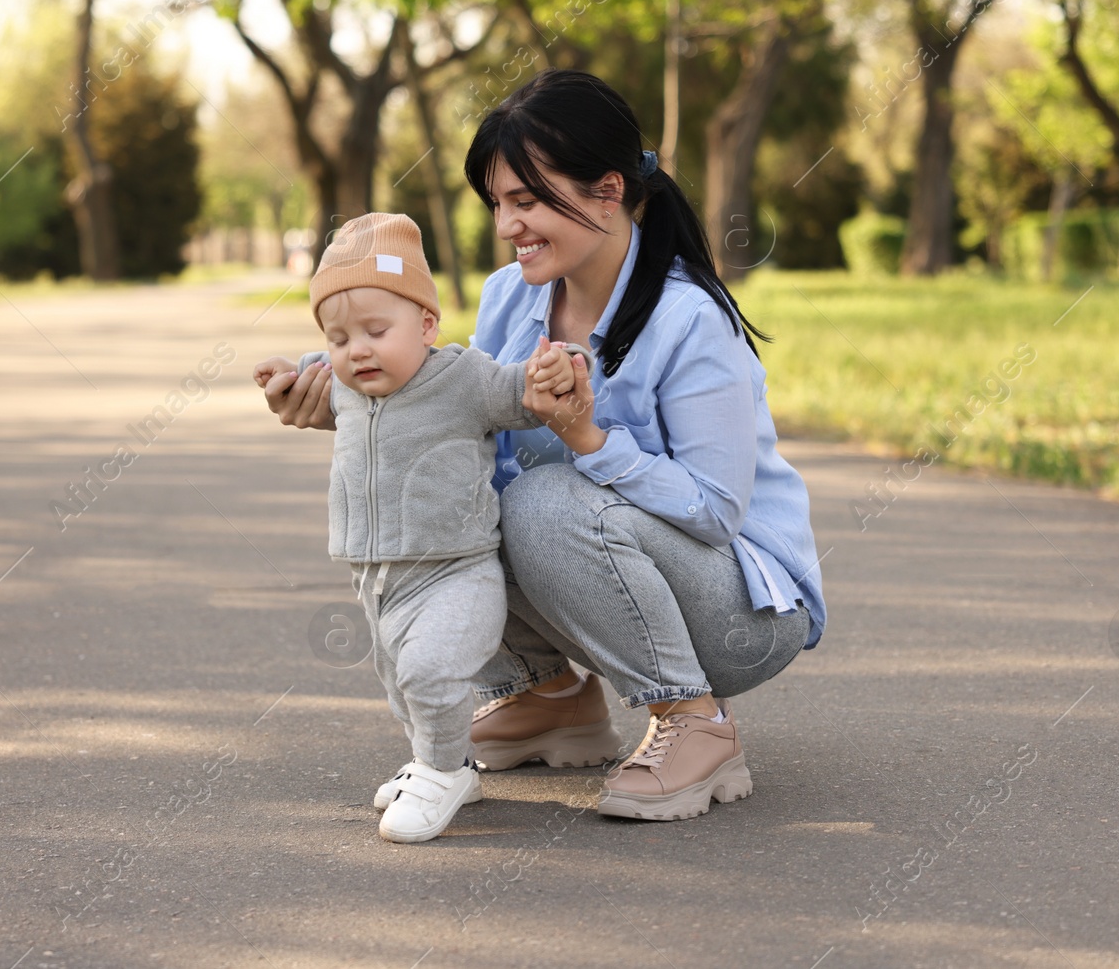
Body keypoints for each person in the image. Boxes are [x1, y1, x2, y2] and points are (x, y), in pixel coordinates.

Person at [257, 69, 826, 824]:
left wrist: (587, 438)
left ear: (607, 191)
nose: (506, 223)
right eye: (498, 202)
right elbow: (456, 410)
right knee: (451, 502)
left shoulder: (690, 319)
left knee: (541, 501)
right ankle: (547, 695)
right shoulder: (510, 296)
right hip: (619, 577)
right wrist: (345, 397)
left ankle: (695, 719)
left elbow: (715, 511)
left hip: (738, 614)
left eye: (526, 199)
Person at [260, 212, 589, 843]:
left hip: (455, 570)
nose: (357, 349)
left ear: (427, 323)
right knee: (400, 685)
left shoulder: (463, 379)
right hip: (377, 577)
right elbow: (305, 381)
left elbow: (523, 389)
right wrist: (283, 376)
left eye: (377, 331)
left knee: (430, 673)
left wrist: (562, 366)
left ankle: (440, 773)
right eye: (338, 336)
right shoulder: (349, 384)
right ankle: (444, 762)